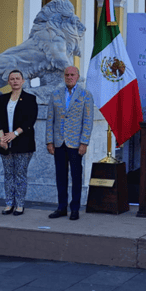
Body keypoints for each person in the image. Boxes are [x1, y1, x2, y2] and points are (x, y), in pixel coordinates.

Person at [46, 66, 94, 221]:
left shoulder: (85, 95)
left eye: (72, 74)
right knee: (60, 176)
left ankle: (75, 208)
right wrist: (49, 141)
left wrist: (84, 142)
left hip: (75, 143)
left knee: (76, 176)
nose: (69, 77)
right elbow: (50, 120)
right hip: (59, 142)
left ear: (78, 76)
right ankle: (61, 207)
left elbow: (87, 121)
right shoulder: (55, 94)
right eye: (67, 74)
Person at [0, 70, 38, 216]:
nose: (15, 81)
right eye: (12, 79)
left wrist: (15, 134)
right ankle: (8, 204)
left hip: (23, 143)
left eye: (17, 78)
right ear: (8, 82)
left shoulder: (30, 99)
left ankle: (19, 204)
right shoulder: (2, 99)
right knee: (8, 174)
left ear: (23, 80)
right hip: (5, 143)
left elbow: (30, 121)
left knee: (20, 174)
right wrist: (2, 138)